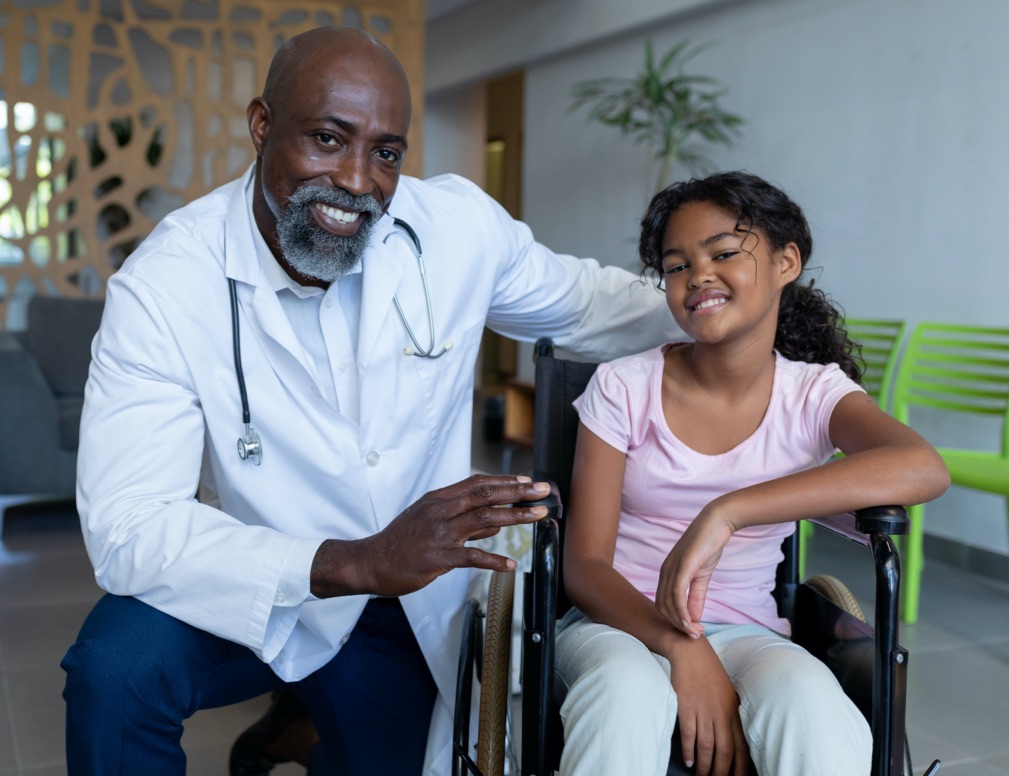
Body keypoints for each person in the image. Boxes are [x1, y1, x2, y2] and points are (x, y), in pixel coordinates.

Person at [61, 25, 680, 776]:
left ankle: (303, 727)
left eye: (385, 152)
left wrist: (724, 305)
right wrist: (349, 562)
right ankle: (302, 708)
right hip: (256, 580)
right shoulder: (165, 286)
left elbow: (589, 305)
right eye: (326, 139)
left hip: (403, 599)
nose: (357, 181)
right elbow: (130, 527)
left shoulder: (452, 229)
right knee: (114, 671)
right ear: (261, 127)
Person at [556, 171, 950, 776]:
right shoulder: (624, 386)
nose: (698, 276)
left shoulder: (813, 394)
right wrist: (679, 648)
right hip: (617, 623)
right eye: (677, 265)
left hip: (747, 631)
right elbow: (584, 567)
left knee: (809, 701)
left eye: (723, 252)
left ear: (787, 261)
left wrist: (729, 509)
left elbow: (922, 467)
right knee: (623, 690)